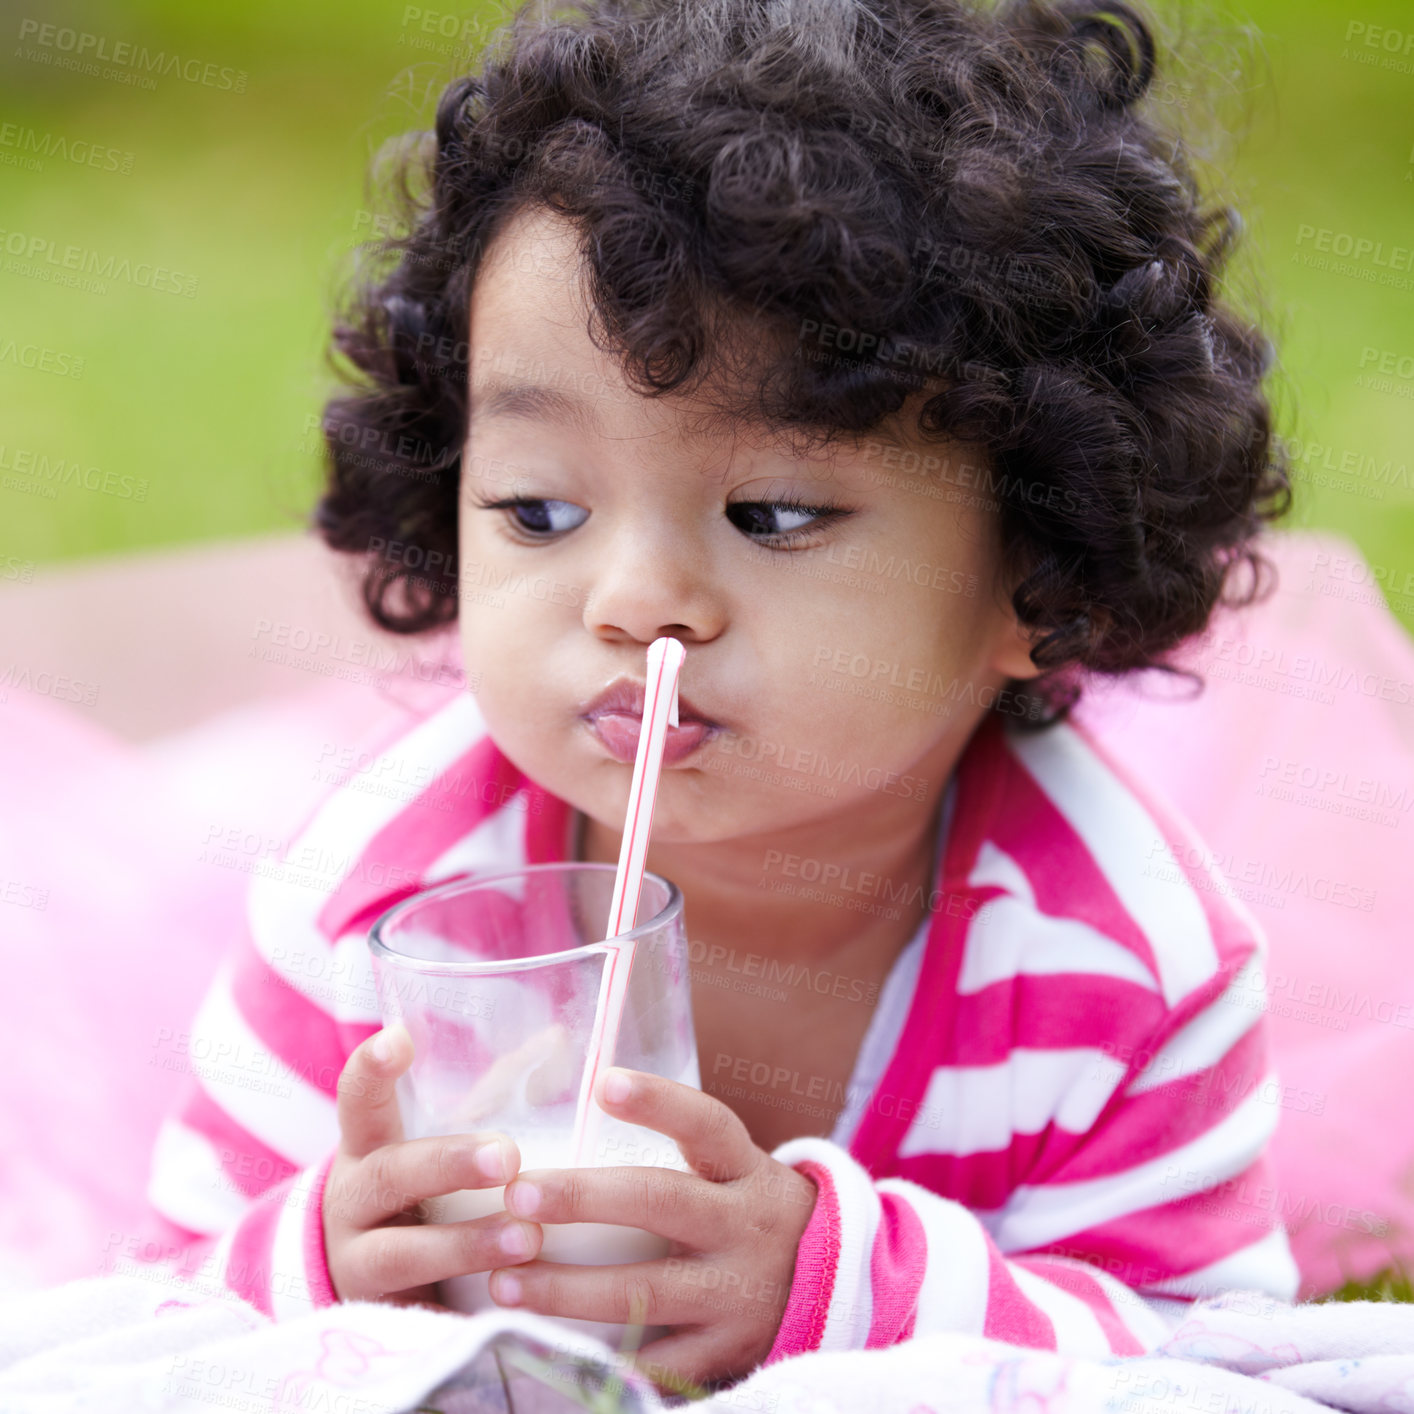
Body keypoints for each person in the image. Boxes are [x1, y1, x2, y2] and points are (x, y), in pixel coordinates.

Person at [140, 0, 1301, 1389]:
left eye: (771, 511)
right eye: (536, 505)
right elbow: (165, 1317)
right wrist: (330, 1257)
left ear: (1032, 573)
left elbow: (1205, 1352)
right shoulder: (372, 914)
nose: (634, 598)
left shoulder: (1124, 965)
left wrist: (829, 1287)